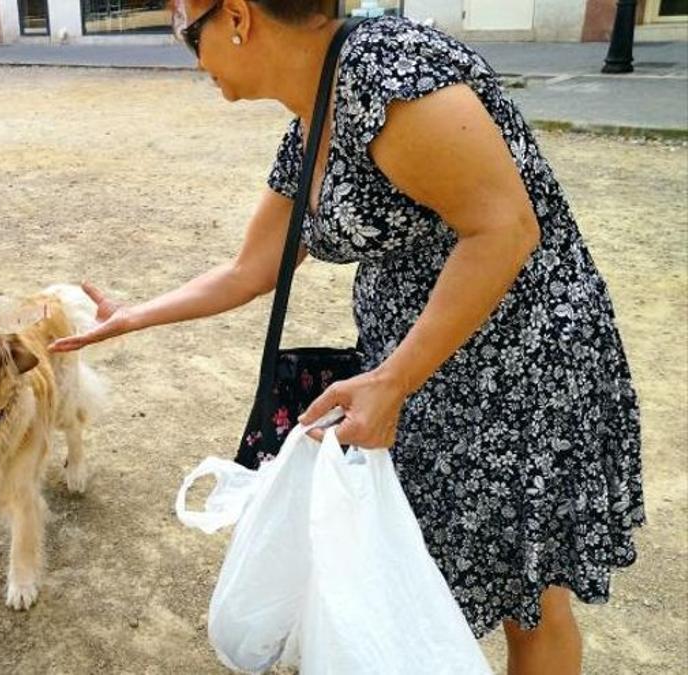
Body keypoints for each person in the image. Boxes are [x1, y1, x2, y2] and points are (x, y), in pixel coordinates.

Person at [48, 3, 644, 675]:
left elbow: (505, 228)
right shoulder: (312, 117)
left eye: (189, 33)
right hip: (420, 367)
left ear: (238, 16)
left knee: (528, 600)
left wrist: (394, 378)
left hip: (517, 368)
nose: (192, 56)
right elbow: (252, 267)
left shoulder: (389, 76)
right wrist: (133, 315)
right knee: (417, 578)